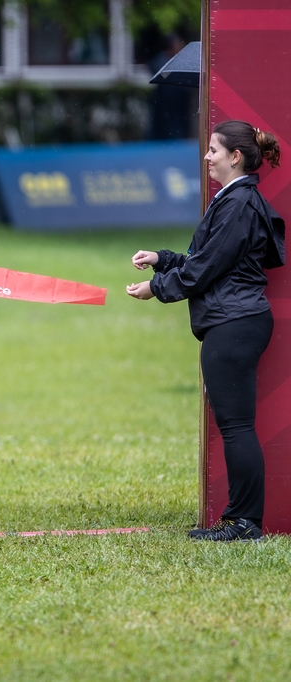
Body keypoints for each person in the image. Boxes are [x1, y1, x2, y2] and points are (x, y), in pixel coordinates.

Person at [127, 120, 284, 542]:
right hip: (232, 321)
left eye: (213, 149)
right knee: (235, 424)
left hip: (234, 324)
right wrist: (162, 258)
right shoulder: (234, 200)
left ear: (235, 157)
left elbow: (205, 269)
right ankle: (241, 519)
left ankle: (244, 523)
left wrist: (155, 288)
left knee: (236, 426)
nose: (207, 156)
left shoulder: (238, 204)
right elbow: (208, 260)